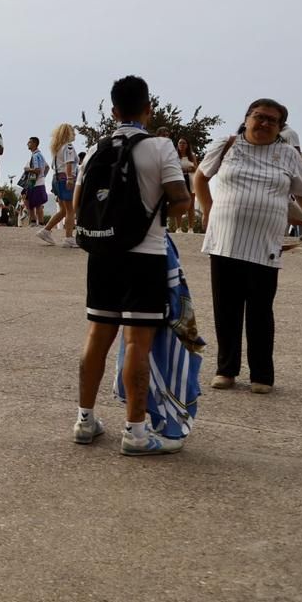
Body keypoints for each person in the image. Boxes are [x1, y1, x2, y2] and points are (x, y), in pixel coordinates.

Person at [71, 76, 195, 456]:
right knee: (136, 342)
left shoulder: (95, 150)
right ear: (148, 109)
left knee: (97, 335)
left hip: (102, 254)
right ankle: (136, 432)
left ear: (113, 111)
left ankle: (85, 420)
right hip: (145, 256)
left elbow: (78, 204)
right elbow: (181, 201)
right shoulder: (160, 147)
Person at [194, 98, 302, 394]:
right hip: (224, 239)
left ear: (280, 127)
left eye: (271, 120)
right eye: (259, 116)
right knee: (226, 309)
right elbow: (200, 178)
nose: (264, 123)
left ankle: (262, 375)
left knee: (260, 310)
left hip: (265, 243)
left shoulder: (287, 155)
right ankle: (226, 370)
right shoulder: (227, 145)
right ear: (247, 118)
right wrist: (208, 210)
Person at [38, 123, 79, 247]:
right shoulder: (68, 147)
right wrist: (70, 178)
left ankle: (46, 230)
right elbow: (69, 163)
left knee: (63, 210)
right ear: (68, 133)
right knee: (70, 210)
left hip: (56, 179)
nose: (75, 134)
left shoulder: (58, 148)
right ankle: (69, 238)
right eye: (73, 131)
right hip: (65, 179)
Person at [21, 137, 50, 226]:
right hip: (38, 182)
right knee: (31, 201)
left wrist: (28, 169)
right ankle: (37, 222)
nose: (27, 144)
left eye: (29, 142)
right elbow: (47, 167)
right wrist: (43, 177)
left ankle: (37, 223)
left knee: (35, 203)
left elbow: (37, 170)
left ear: (34, 144)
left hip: (34, 183)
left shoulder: (35, 156)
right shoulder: (40, 155)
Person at [173, 137, 200, 232]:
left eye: (184, 143)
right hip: (179, 181)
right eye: (180, 143)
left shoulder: (192, 156)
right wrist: (181, 170)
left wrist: (191, 169)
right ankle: (178, 228)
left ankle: (191, 228)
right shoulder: (174, 156)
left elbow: (196, 168)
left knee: (191, 205)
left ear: (187, 145)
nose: (182, 144)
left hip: (191, 181)